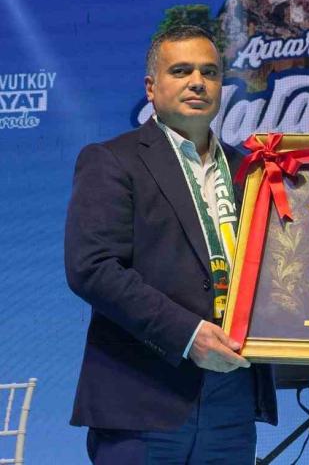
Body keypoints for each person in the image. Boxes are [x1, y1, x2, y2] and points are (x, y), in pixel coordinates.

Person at [65, 25, 276, 464]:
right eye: (181, 71)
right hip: (143, 394)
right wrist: (188, 335)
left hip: (233, 398)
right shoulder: (112, 160)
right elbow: (92, 267)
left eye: (209, 72)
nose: (197, 82)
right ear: (151, 87)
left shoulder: (253, 172)